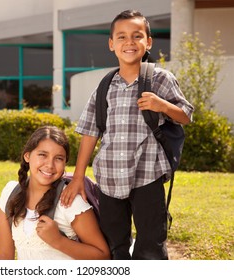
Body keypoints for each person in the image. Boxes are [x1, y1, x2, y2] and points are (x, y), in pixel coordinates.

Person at [60, 10, 194, 260]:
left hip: (147, 176)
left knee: (150, 245)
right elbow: (90, 132)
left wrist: (162, 105)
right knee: (114, 243)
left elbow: (186, 114)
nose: (129, 42)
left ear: (148, 42)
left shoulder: (160, 78)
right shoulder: (104, 86)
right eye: (121, 37)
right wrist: (78, 177)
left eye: (136, 36)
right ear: (112, 44)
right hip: (109, 179)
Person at [0, 126, 110, 260]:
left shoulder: (70, 201)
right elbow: (4, 255)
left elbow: (103, 256)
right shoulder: (10, 194)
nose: (50, 165)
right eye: (42, 155)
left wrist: (58, 241)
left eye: (59, 158)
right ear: (27, 156)